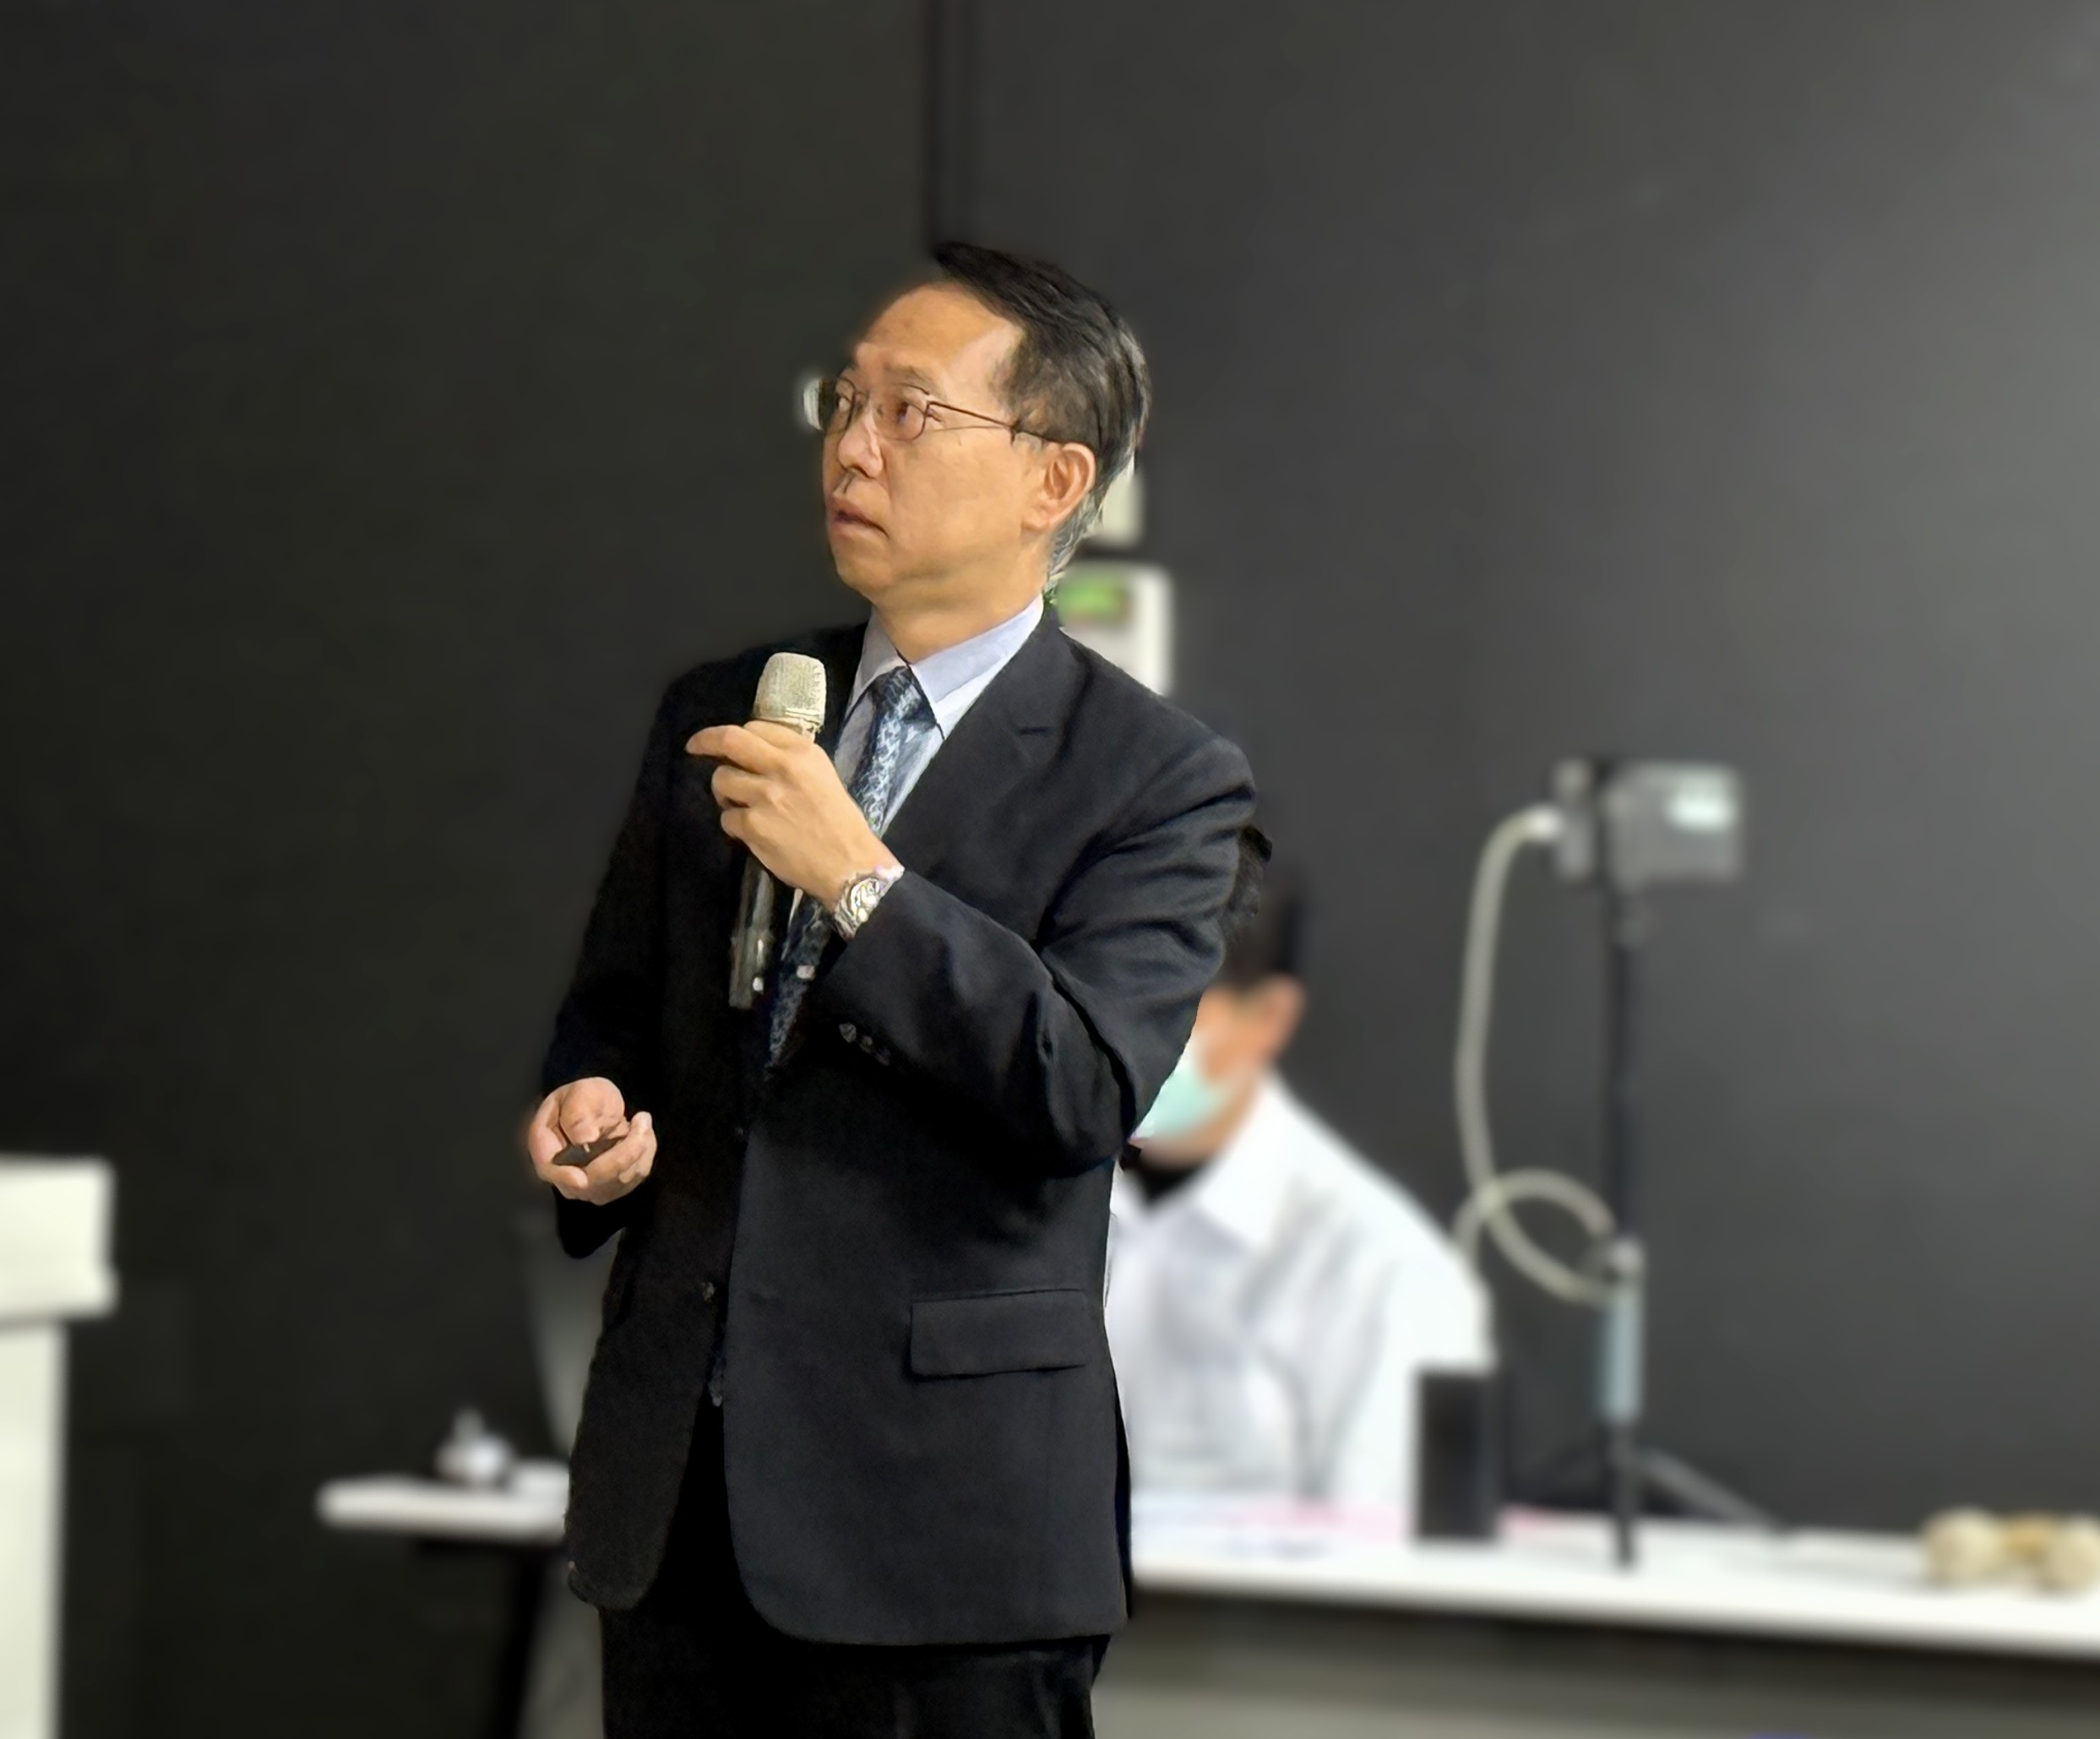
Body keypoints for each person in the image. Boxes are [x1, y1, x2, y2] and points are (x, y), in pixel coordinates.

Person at [525, 243, 1254, 1738]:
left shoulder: (1158, 780)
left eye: (910, 411)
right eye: (843, 402)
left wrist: (861, 881)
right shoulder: (731, 708)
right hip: (680, 1507)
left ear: (1054, 478)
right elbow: (619, 1010)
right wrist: (593, 1107)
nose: (853, 448)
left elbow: (1078, 1088)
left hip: (942, 1537)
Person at [1107, 853, 1488, 1518]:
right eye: (1097, 996)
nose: (1117, 1037)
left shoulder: (1384, 1276)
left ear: (1267, 1018)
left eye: (1165, 1011)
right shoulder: (1012, 1200)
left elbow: (1374, 1564)